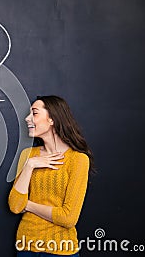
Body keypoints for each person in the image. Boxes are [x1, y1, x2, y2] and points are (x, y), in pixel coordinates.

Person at [8, 95, 95, 256]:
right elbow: (14, 206)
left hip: (60, 250)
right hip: (25, 246)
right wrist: (30, 165)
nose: (27, 119)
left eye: (34, 113)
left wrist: (27, 205)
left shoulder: (78, 159)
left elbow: (68, 218)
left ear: (52, 119)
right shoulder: (27, 155)